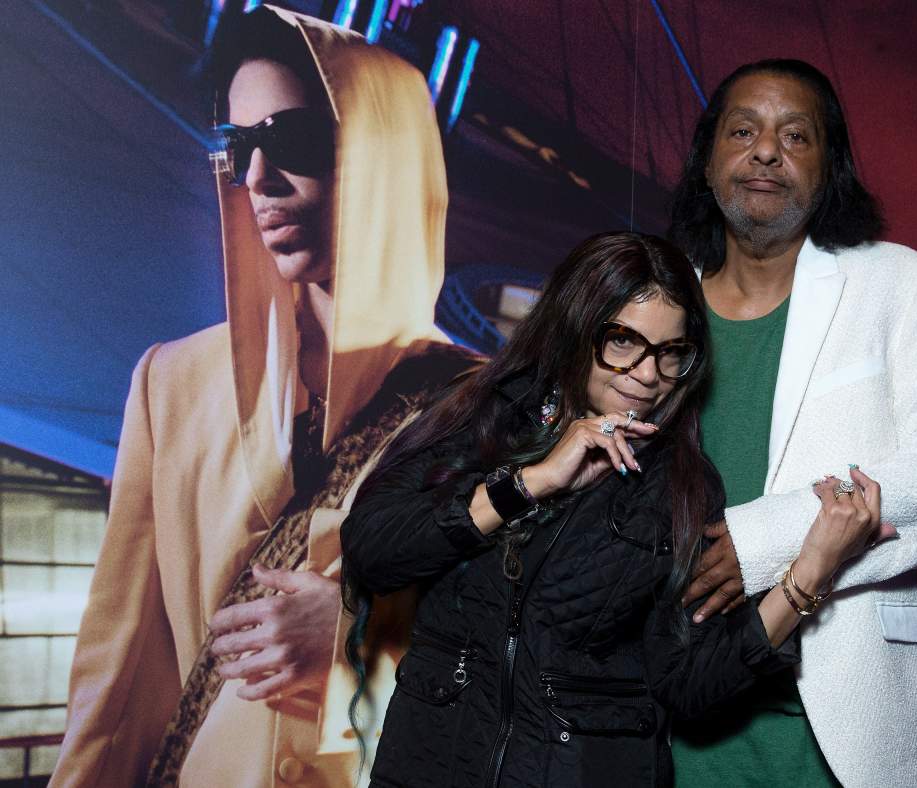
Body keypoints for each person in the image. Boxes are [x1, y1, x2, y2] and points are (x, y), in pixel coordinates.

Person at [51, 7, 475, 786]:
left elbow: (531, 676)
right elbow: (119, 685)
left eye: (292, 140)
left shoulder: (489, 409)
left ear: (383, 157)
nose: (256, 179)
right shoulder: (172, 385)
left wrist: (358, 640)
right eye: (240, 145)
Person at [339, 232, 886, 787]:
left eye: (671, 352)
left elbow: (689, 683)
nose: (648, 375)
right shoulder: (487, 420)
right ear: (574, 329)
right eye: (623, 342)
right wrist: (533, 482)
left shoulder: (680, 485)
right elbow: (371, 552)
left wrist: (810, 573)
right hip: (433, 766)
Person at [667, 60, 917, 787]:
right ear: (707, 159)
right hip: (667, 720)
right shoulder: (655, 300)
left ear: (830, 166)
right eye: (743, 131)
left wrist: (762, 543)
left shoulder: (907, 285)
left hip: (839, 731)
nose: (765, 150)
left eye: (796, 136)